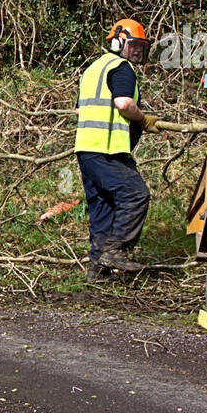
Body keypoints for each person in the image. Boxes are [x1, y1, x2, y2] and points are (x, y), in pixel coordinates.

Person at [74, 18, 161, 281]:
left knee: (102, 207)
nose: (136, 52)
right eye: (133, 45)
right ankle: (115, 251)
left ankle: (97, 271)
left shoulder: (93, 69)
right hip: (108, 149)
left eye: (140, 47)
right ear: (118, 42)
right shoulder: (122, 68)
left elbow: (79, 109)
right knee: (135, 195)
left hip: (86, 149)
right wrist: (144, 120)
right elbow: (124, 104)